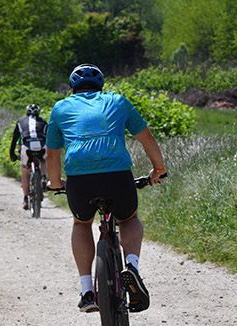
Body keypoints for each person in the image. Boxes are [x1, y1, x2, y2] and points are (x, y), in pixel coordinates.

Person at [46, 63, 167, 313]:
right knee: (129, 219)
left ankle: (87, 291)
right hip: (117, 176)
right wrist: (158, 169)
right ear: (101, 86)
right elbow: (146, 138)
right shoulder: (117, 101)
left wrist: (56, 182)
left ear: (72, 89)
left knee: (81, 223)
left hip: (80, 180)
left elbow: (52, 154)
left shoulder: (60, 108)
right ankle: (131, 267)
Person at [9, 104, 48, 210]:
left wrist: (11, 153)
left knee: (25, 171)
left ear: (26, 113)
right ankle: (44, 177)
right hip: (41, 145)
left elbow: (15, 138)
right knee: (43, 160)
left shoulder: (20, 121)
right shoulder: (43, 121)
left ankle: (26, 198)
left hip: (27, 146)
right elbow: (48, 136)